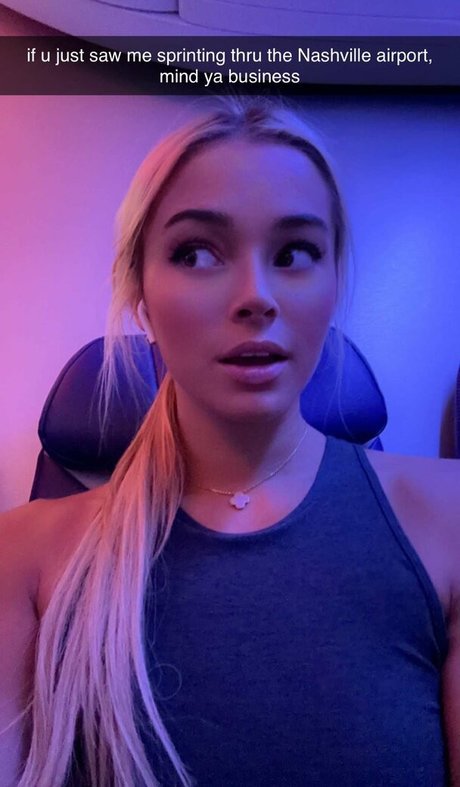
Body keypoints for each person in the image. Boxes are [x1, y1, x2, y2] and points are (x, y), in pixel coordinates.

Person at [0, 96, 459, 787]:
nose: (255, 296)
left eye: (295, 253)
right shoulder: (22, 558)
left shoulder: (449, 521)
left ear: (334, 281)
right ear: (140, 294)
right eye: (196, 252)